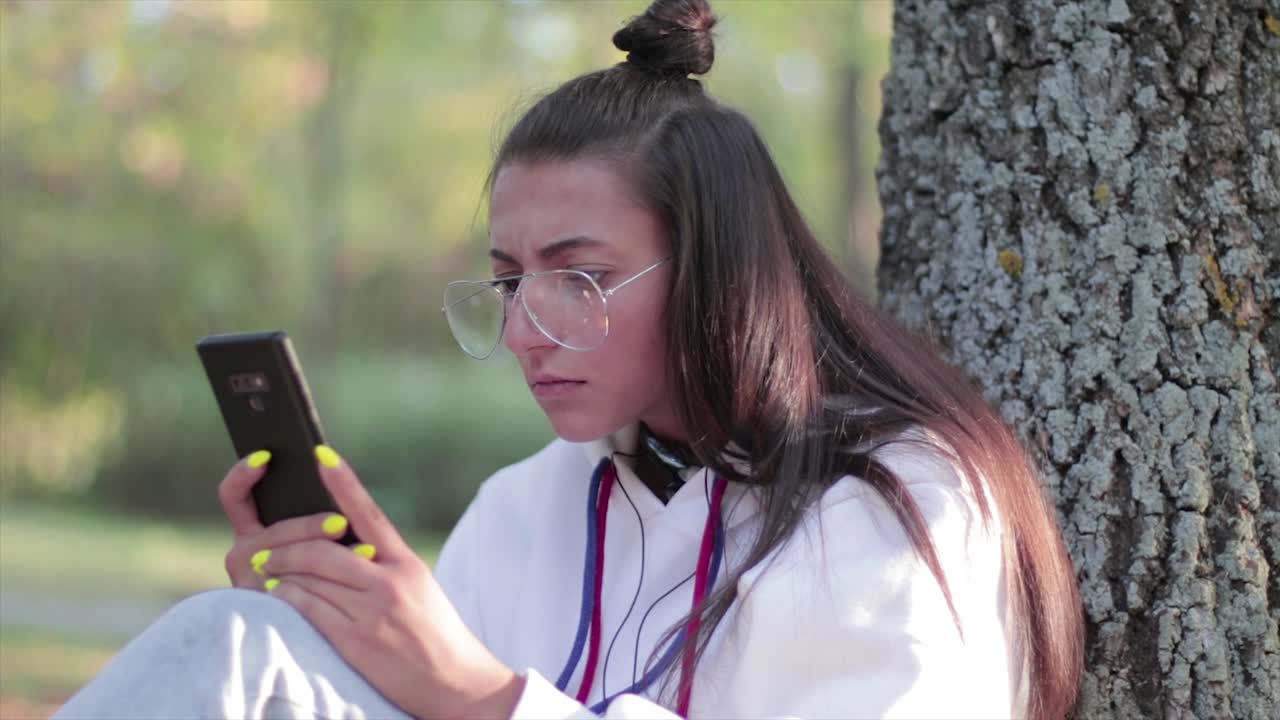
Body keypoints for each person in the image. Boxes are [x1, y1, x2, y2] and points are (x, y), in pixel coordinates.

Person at [54, 0, 1084, 718]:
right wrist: (331, 634)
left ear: (715, 273)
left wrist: (484, 698)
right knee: (243, 643)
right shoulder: (527, 507)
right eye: (508, 281)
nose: (522, 330)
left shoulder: (894, 506)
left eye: (577, 278)